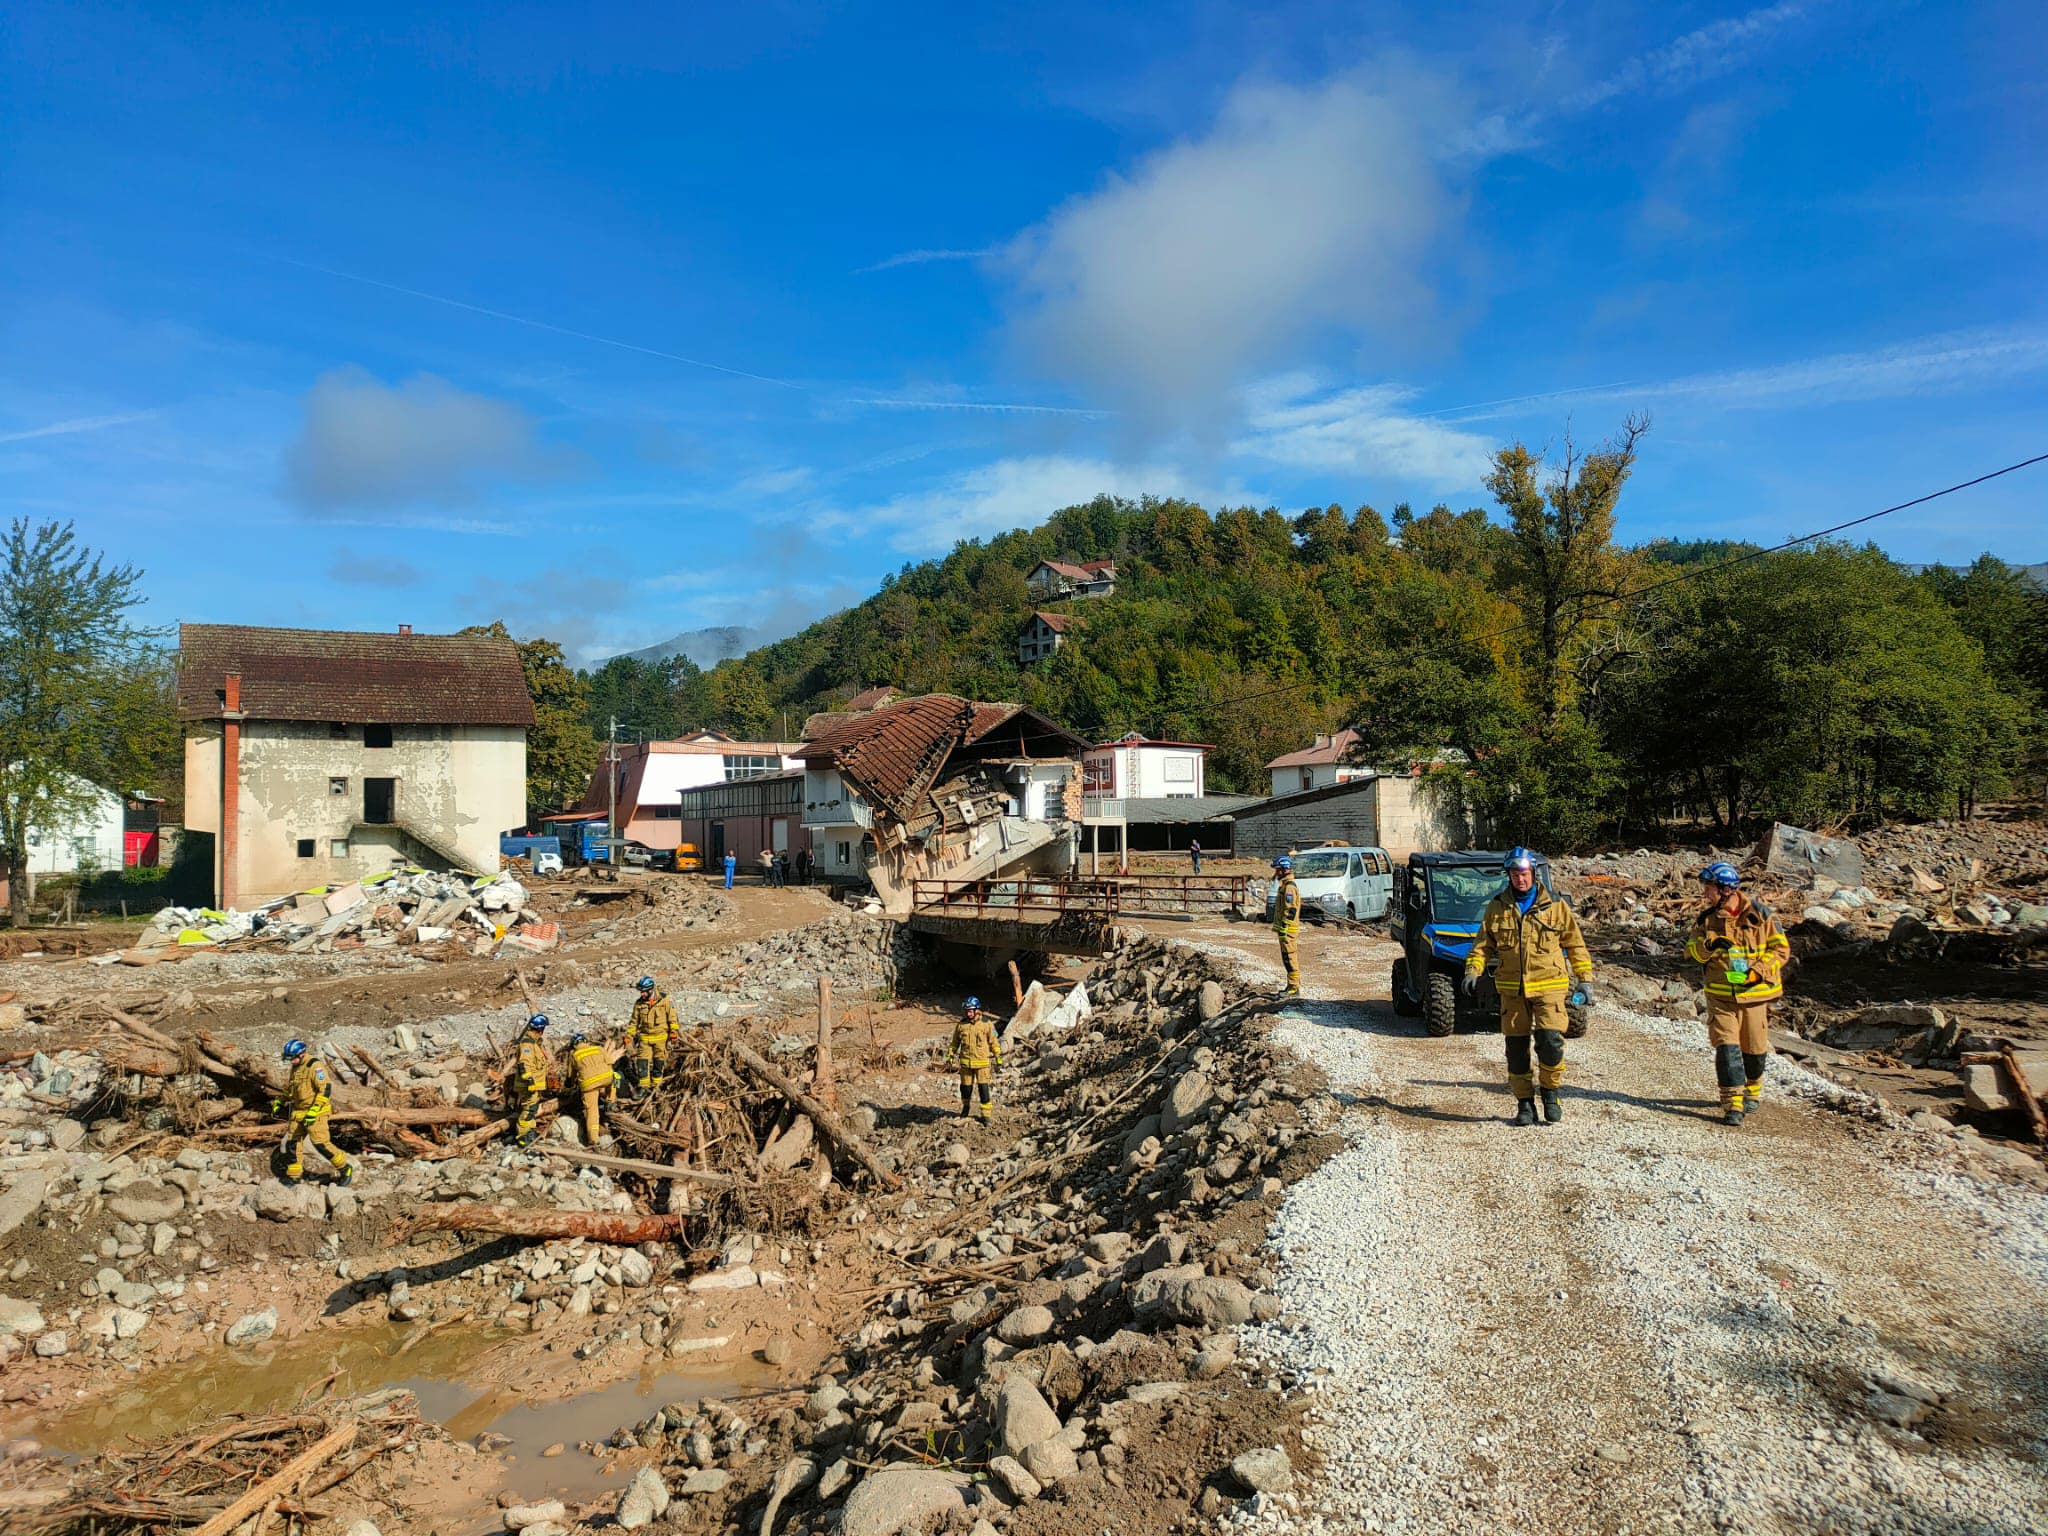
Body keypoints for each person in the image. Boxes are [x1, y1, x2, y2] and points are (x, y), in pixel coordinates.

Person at [1464, 847, 1594, 1127]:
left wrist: (1585, 979)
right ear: (1508, 876)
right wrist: (1472, 970)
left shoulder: (1556, 906)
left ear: (1533, 874)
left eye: (1523, 874)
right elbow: (1483, 945)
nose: (1519, 879)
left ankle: (1550, 1093)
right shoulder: (1497, 907)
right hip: (1512, 991)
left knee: (1550, 1043)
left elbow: (1575, 944)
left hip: (1550, 987)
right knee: (1516, 1050)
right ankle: (1524, 1104)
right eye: (1514, 874)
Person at [1685, 862, 1790, 1126]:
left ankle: (1752, 1090)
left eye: (1708, 888)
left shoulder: (1762, 915)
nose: (1705, 894)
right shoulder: (1706, 920)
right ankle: (1732, 1103)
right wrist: (1711, 945)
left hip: (1755, 995)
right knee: (1727, 1048)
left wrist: (1756, 972)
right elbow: (1692, 953)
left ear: (1725, 889)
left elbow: (1781, 951)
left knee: (1754, 1049)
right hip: (1720, 997)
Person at [276, 1039, 354, 1185]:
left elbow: (325, 1090)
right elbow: (291, 1089)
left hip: (316, 1113)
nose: (290, 1061)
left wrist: (314, 1110)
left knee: (321, 1144)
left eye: (292, 1058)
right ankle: (294, 1176)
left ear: (301, 1054)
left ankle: (345, 1168)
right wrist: (280, 1100)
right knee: (292, 1145)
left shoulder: (315, 1067)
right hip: (298, 1112)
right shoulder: (296, 1067)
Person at [949, 997, 1002, 1120]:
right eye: (966, 1011)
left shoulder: (986, 1024)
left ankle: (986, 1115)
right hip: (966, 1064)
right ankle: (966, 1107)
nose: (968, 1013)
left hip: (982, 1064)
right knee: (965, 1088)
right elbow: (954, 1043)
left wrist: (997, 1055)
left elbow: (993, 1042)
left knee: (983, 1089)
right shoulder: (961, 1025)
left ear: (977, 1010)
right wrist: (950, 1054)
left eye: (970, 1011)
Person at [630, 974, 679, 1095]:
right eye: (641, 991)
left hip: (661, 1039)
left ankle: (656, 1087)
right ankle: (643, 1087)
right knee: (642, 1063)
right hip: (645, 1039)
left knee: (659, 1063)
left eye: (644, 992)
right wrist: (629, 1035)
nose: (642, 994)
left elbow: (673, 1018)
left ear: (651, 989)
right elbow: (634, 1022)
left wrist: (673, 1032)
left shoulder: (665, 1000)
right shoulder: (639, 1004)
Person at [569, 1030, 617, 1147]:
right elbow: (610, 1063)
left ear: (574, 1045)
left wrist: (569, 1086)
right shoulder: (598, 1048)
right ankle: (610, 1102)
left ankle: (593, 1140)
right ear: (586, 1042)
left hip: (588, 1084)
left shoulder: (574, 1055)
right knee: (615, 1078)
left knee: (592, 1111)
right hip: (606, 1078)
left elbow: (571, 1075)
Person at [512, 1014, 551, 1149]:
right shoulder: (528, 1044)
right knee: (528, 1111)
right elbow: (524, 1064)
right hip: (528, 1085)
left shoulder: (534, 1044)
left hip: (534, 1085)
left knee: (532, 1110)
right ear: (540, 1029)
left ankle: (529, 1132)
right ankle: (522, 1137)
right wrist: (530, 1081)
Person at [1270, 855, 1302, 997]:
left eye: (1277, 870)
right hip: (1285, 929)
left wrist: (1284, 925)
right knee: (1286, 958)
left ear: (1284, 870)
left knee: (1290, 958)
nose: (1275, 873)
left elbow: (1291, 910)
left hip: (1288, 930)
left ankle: (1294, 988)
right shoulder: (1285, 885)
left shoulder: (1289, 888)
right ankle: (1291, 985)